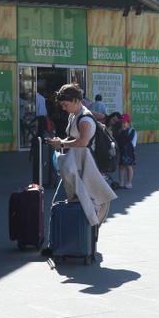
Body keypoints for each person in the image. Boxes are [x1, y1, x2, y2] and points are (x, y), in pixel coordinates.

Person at [48, 84, 117, 233]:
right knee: (69, 205)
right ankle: (68, 242)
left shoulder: (85, 120)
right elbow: (73, 137)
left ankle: (84, 241)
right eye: (62, 105)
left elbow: (83, 142)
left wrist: (61, 143)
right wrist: (62, 141)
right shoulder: (74, 115)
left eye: (65, 105)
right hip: (75, 167)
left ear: (76, 100)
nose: (64, 108)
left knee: (82, 205)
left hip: (84, 168)